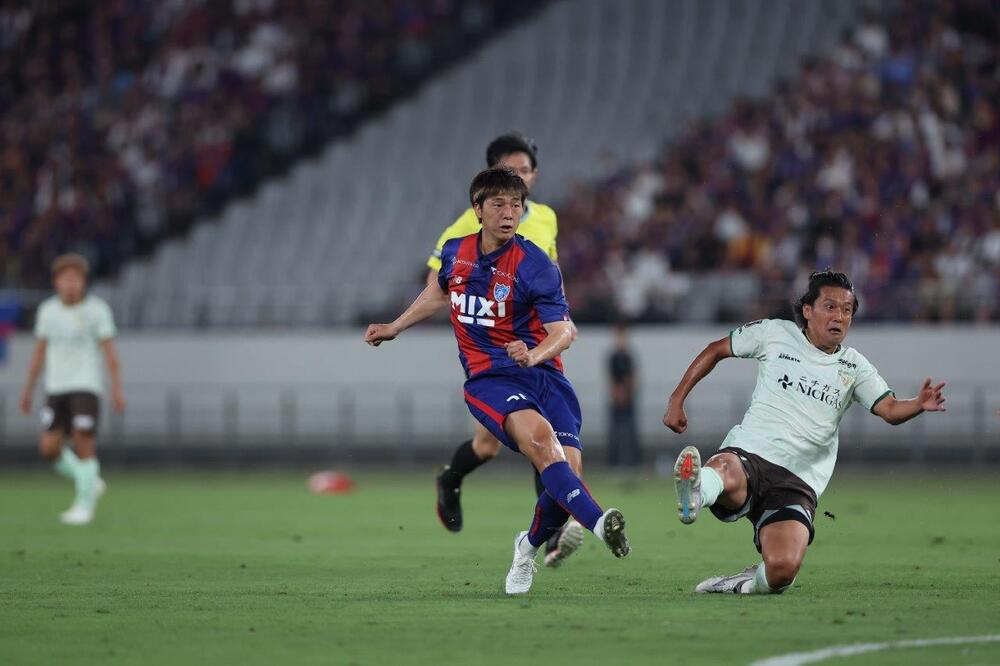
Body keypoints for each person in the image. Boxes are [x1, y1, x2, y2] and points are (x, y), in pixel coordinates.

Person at [367, 167, 630, 594]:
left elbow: (564, 332)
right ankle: (602, 523)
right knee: (542, 442)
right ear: (477, 209)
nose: (510, 213)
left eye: (516, 205)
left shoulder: (536, 264)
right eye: (499, 204)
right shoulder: (456, 251)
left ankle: (526, 549)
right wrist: (395, 326)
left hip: (544, 375)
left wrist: (534, 354)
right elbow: (440, 291)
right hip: (490, 378)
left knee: (567, 477)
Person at [662, 270, 946, 594]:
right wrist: (676, 399)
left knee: (782, 571)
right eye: (830, 306)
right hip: (751, 454)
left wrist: (918, 404)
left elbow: (890, 409)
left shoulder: (854, 367)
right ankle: (696, 491)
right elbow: (716, 349)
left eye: (847, 310)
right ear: (808, 310)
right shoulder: (775, 333)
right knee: (726, 469)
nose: (839, 316)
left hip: (797, 481)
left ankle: (740, 584)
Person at [426, 132, 583, 568]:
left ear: (534, 176)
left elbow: (550, 272)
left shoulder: (545, 217)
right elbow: (438, 287)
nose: (520, 178)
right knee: (490, 446)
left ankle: (551, 532)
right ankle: (450, 478)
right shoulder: (465, 227)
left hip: (537, 346)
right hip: (495, 354)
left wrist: (561, 320)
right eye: (511, 171)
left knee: (544, 436)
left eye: (525, 171)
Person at [20, 254, 126, 525]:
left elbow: (110, 354)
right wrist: (28, 390)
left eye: (75, 279)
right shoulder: (48, 311)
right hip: (56, 387)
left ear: (83, 282)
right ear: (56, 282)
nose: (70, 284)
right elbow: (39, 354)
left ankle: (83, 506)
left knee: (83, 441)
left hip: (85, 385)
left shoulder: (97, 310)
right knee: (49, 448)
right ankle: (86, 478)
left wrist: (116, 389)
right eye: (65, 278)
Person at [607, 322, 642, 469]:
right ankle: (614, 461)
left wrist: (628, 393)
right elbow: (610, 379)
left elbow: (633, 378)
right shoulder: (613, 357)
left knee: (631, 430)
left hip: (629, 399)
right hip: (616, 400)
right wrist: (616, 394)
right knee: (614, 431)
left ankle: (633, 461)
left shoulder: (629, 357)